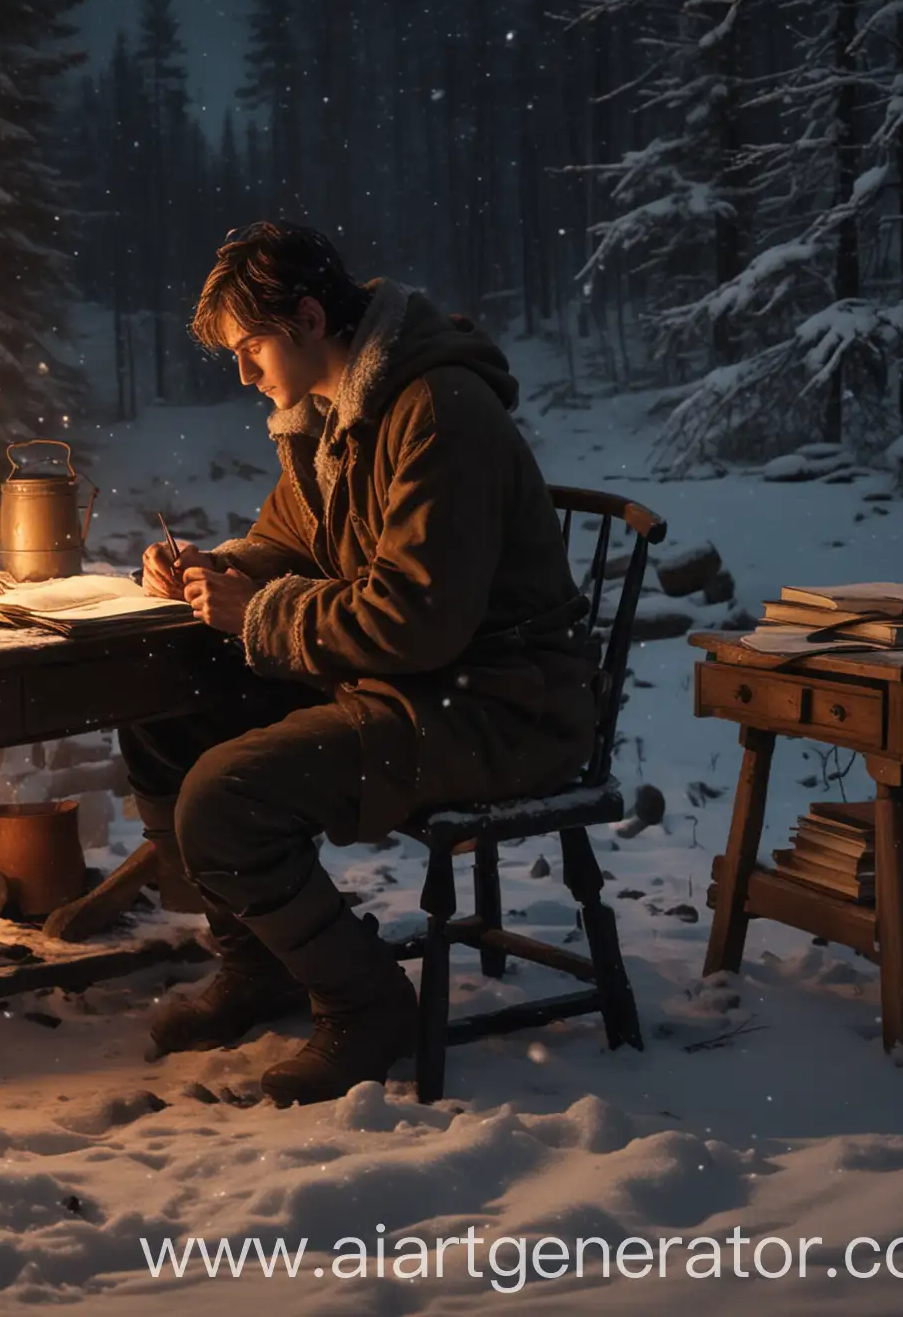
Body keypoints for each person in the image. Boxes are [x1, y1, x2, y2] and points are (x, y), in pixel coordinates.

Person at [121, 222, 597, 1107]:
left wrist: (259, 612)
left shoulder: (437, 411)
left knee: (226, 798)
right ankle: (261, 965)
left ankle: (367, 1006)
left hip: (497, 708)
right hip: (411, 686)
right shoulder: (326, 422)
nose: (243, 372)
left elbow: (418, 620)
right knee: (166, 707)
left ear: (306, 318)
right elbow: (284, 542)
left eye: (250, 346)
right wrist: (220, 572)